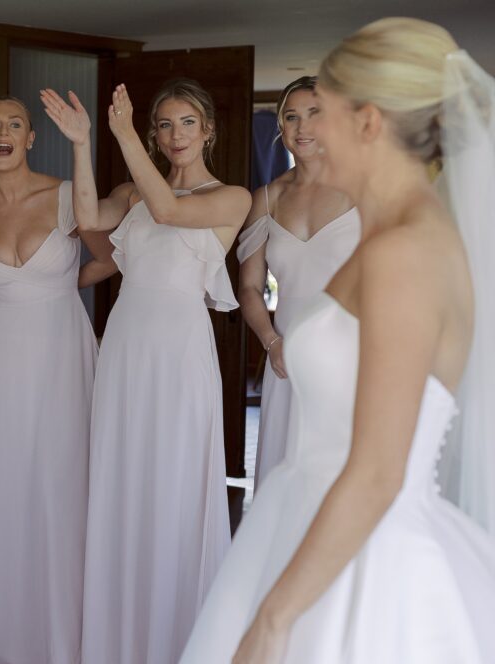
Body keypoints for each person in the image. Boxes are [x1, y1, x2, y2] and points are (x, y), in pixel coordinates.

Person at [181, 18, 495, 664]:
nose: (306, 131)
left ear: (369, 122)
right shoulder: (387, 237)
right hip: (301, 519)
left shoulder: (408, 252)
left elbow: (380, 469)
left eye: (322, 110)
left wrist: (274, 620)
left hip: (367, 561)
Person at [44, 78, 250, 664]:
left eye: (187, 123)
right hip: (127, 347)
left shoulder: (230, 197)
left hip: (180, 352)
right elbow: (87, 222)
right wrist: (84, 143)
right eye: (165, 125)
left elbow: (170, 210)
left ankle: (176, 634)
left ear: (208, 129)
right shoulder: (133, 192)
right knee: (123, 473)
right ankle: (119, 633)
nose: (175, 134)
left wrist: (123, 132)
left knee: (176, 478)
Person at [0, 96, 109, 664]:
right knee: (3, 478)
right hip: (0, 357)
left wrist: (62, 283)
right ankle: (1, 623)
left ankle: (68, 628)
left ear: (32, 138)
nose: (3, 132)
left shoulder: (65, 195)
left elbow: (110, 258)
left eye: (15, 124)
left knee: (61, 479)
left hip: (62, 348)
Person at [236, 76, 360, 484]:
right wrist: (272, 343)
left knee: (343, 474)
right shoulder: (266, 198)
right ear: (281, 128)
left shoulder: (365, 188)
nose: (302, 127)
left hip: (354, 353)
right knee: (285, 474)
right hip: (285, 358)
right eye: (291, 117)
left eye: (314, 114)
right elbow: (250, 286)